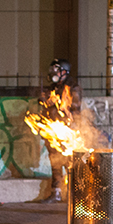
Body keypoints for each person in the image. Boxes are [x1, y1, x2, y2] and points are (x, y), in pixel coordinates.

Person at [36, 58, 80, 202]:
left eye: (56, 70)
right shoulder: (53, 88)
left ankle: (74, 193)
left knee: (70, 162)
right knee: (55, 162)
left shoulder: (72, 87)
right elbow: (48, 106)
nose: (53, 73)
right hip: (53, 131)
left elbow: (74, 109)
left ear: (64, 72)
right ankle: (56, 192)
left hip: (67, 131)